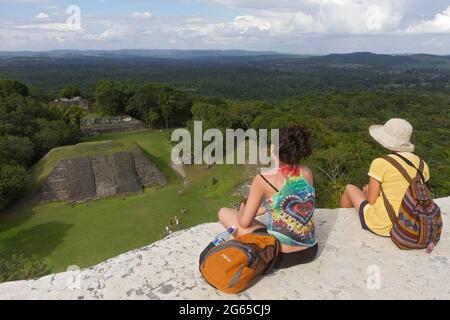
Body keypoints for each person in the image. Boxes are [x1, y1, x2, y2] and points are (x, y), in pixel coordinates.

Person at [218, 126, 318, 269]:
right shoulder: (307, 173)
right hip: (310, 250)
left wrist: (242, 207)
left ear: (275, 149)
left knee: (224, 212)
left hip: (280, 256)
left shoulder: (263, 180)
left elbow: (244, 223)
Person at [340, 118, 430, 237]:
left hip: (385, 225)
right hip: (414, 224)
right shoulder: (422, 164)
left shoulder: (381, 162)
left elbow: (371, 201)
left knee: (349, 188)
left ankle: (342, 222)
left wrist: (367, 192)